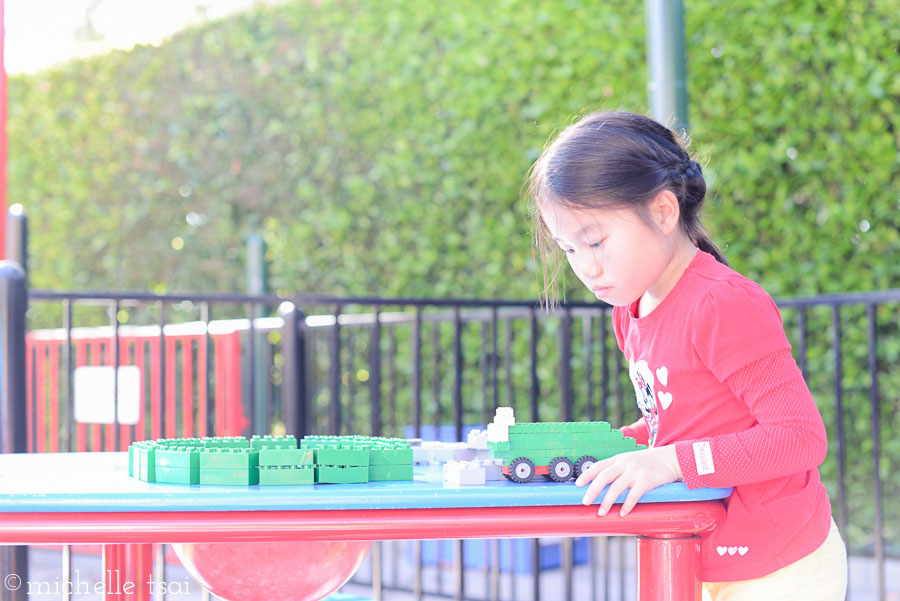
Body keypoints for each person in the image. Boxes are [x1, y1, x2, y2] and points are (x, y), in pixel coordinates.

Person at [525, 110, 847, 599]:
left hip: (780, 566)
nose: (586, 267)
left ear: (662, 211)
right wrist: (603, 448)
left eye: (595, 241)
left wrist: (671, 462)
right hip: (692, 553)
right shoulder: (630, 308)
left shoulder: (722, 303)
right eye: (569, 250)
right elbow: (676, 425)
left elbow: (801, 438)